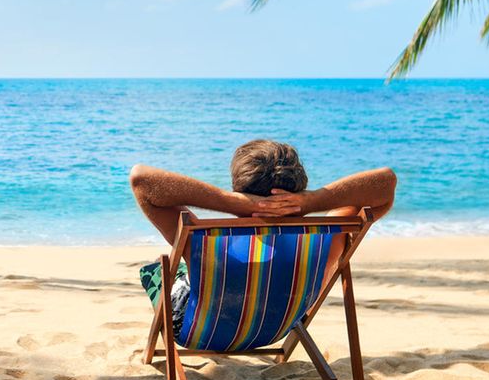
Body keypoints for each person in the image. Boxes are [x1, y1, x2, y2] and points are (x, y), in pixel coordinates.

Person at [129, 140, 395, 331]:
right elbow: (385, 182)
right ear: (300, 187)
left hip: (202, 330)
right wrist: (311, 202)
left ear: (239, 189)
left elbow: (141, 179)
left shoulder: (207, 243)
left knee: (158, 268)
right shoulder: (329, 237)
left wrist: (233, 203)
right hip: (281, 325)